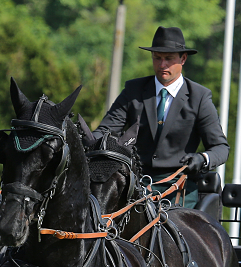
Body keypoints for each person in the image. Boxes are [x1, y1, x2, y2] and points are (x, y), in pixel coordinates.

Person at [95, 26, 229, 208]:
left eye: (168, 59)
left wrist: (202, 158)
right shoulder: (133, 90)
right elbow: (105, 131)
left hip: (179, 188)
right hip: (134, 184)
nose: (162, 64)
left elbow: (220, 147)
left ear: (183, 59)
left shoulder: (200, 97)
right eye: (157, 58)